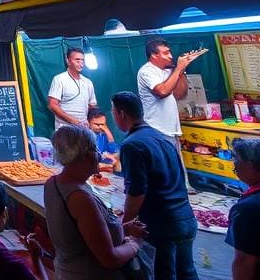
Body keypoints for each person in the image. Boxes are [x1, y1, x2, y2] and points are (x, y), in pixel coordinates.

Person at [112, 91, 198, 280]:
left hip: (162, 224)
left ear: (121, 114)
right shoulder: (164, 139)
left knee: (163, 274)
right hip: (186, 217)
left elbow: (137, 191)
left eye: (113, 112)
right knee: (187, 272)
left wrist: (125, 223)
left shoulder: (132, 145)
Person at [44, 124, 142, 279]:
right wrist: (134, 244)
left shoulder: (53, 183)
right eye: (95, 149)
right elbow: (110, 259)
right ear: (86, 155)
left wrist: (122, 228)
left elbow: (87, 234)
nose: (99, 155)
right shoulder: (80, 198)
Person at [136, 38, 205, 145]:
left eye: (170, 52)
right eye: (166, 53)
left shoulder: (170, 71)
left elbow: (180, 95)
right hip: (156, 130)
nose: (171, 56)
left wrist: (181, 72)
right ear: (154, 55)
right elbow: (163, 91)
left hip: (171, 130)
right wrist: (177, 69)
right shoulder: (146, 71)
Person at [228, 138, 260, 280]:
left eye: (237, 158)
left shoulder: (249, 209)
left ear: (251, 165)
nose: (234, 163)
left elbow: (244, 261)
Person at [47, 48, 97, 130]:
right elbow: (52, 105)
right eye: (77, 60)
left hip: (83, 129)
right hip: (64, 129)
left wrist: (90, 120)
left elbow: (92, 105)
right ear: (68, 61)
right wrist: (73, 121)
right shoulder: (59, 79)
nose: (81, 63)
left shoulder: (88, 82)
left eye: (82, 60)